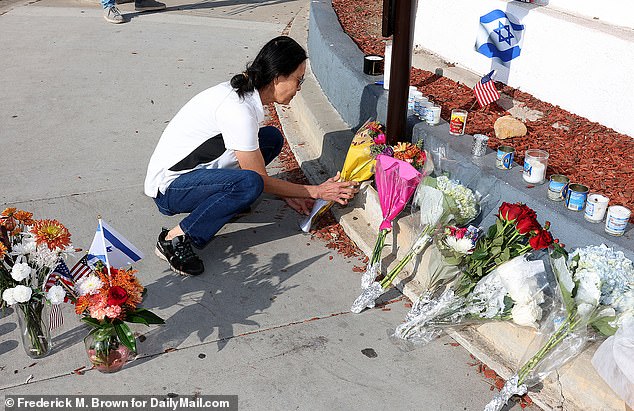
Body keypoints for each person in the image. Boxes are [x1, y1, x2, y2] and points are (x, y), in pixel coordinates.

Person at [144, 36, 359, 276]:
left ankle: (226, 202)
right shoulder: (238, 111)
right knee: (251, 184)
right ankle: (175, 239)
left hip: (198, 174)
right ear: (278, 77)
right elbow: (258, 178)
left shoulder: (245, 96)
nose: (299, 89)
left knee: (271, 138)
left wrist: (286, 194)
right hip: (171, 189)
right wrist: (317, 191)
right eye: (298, 80)